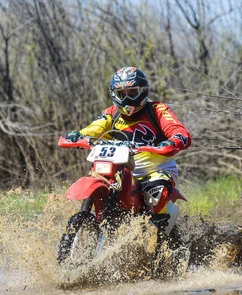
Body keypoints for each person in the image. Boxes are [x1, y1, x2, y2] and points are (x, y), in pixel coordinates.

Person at [65, 66, 191, 236]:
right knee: (97, 178)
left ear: (143, 90)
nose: (127, 98)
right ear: (114, 94)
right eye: (121, 94)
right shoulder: (111, 113)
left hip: (153, 170)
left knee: (157, 195)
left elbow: (178, 131)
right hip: (119, 168)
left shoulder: (157, 110)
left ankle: (161, 246)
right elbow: (95, 128)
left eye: (132, 93)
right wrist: (79, 135)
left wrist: (173, 140)